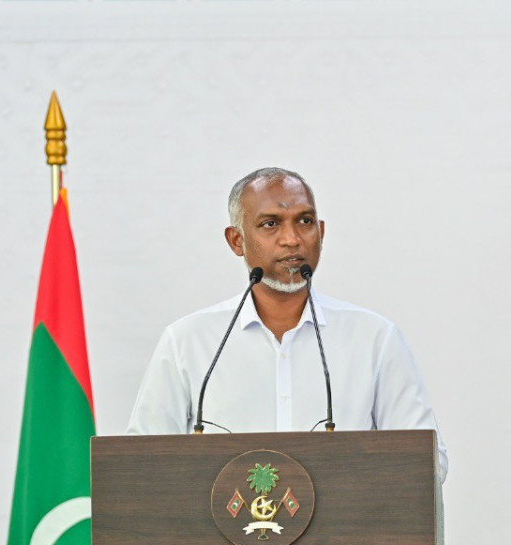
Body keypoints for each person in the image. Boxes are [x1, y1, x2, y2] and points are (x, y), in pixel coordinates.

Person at [127, 167, 448, 482]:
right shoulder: (189, 342)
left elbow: (429, 462)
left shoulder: (374, 339)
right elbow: (142, 463)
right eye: (270, 224)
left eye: (305, 222)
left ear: (321, 232)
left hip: (346, 534)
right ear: (236, 240)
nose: (292, 239)